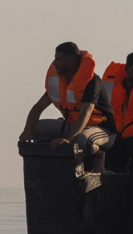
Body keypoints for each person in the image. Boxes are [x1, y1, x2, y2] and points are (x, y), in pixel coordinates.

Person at [20, 42, 115, 173]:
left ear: (70, 62)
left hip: (101, 129)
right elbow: (38, 107)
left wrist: (67, 139)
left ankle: (99, 155)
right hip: (74, 126)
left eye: (58, 59)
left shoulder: (92, 81)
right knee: (37, 128)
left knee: (82, 140)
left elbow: (85, 114)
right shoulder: (60, 81)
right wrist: (27, 130)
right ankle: (59, 162)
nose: (54, 63)